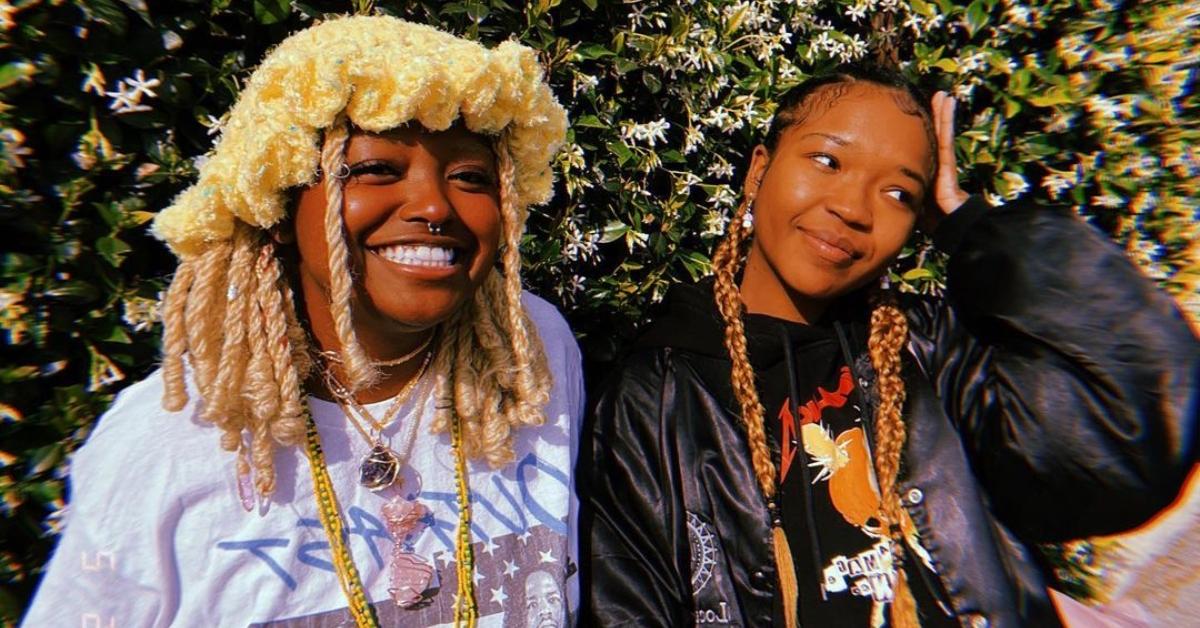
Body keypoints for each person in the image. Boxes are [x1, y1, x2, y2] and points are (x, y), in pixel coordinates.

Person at [584, 64, 1198, 627]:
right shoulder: (655, 398)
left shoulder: (928, 352)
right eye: (827, 161)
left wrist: (965, 223)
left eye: (899, 193)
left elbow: (1134, 433)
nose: (853, 207)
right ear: (758, 168)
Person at [23, 16, 582, 628]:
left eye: (470, 178)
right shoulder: (164, 444)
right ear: (280, 202)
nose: (432, 205)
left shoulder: (534, 357)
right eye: (375, 170)